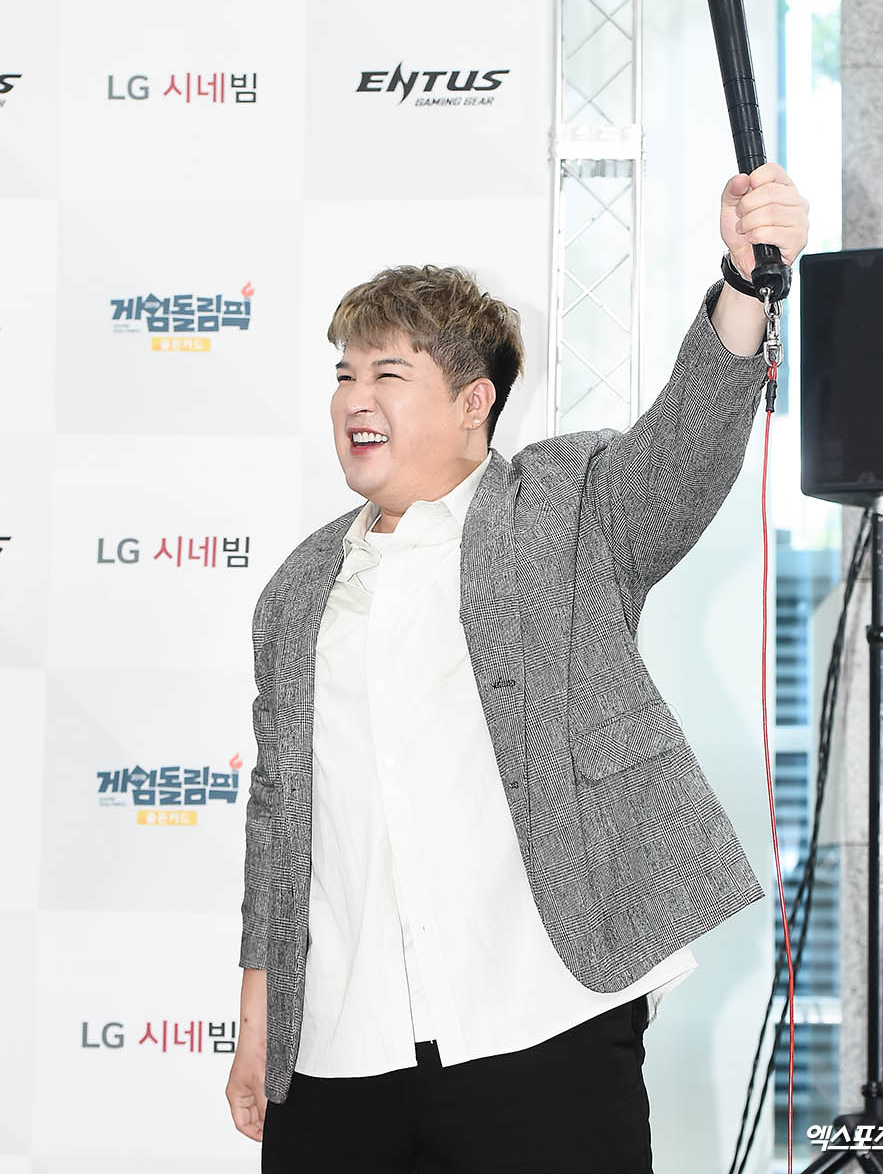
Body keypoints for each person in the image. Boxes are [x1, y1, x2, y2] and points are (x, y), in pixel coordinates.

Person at [226, 164, 809, 1172]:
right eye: (343, 376)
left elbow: (683, 447)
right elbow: (278, 816)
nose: (355, 400)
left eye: (388, 375)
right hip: (337, 1053)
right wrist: (257, 1020)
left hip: (540, 1025)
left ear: (474, 401)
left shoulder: (563, 510)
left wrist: (747, 282)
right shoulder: (299, 587)